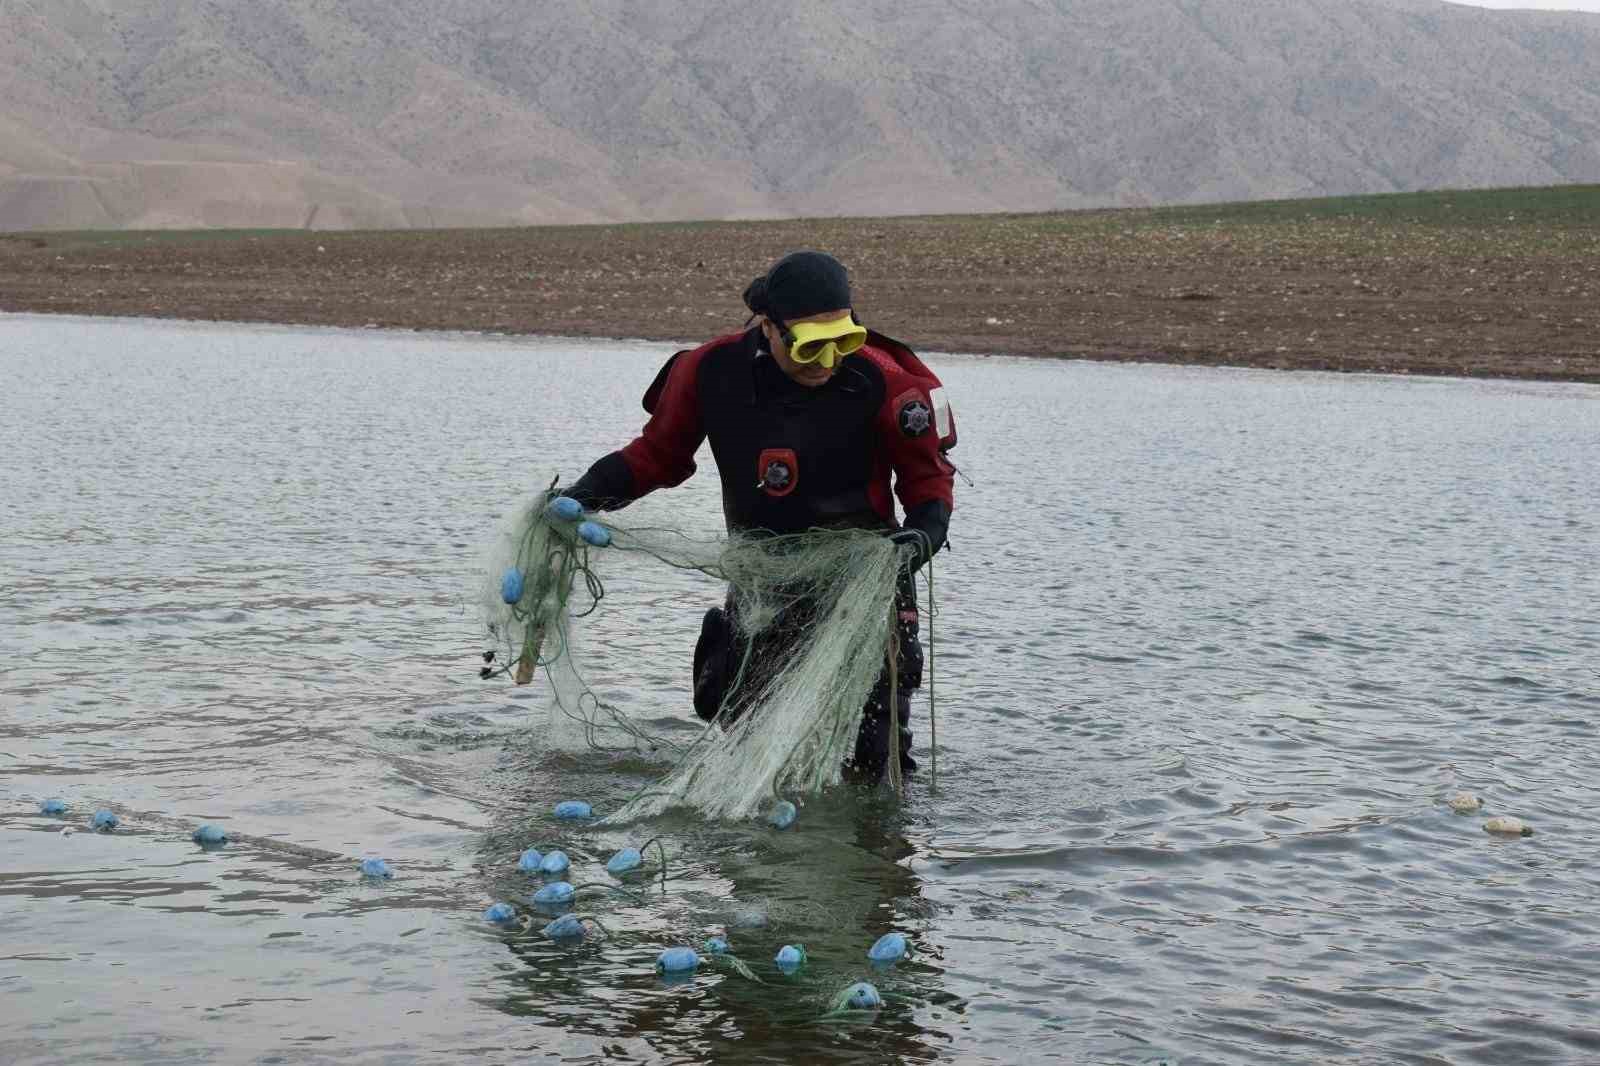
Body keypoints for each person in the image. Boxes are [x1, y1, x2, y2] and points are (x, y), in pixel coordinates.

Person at [562, 250, 956, 783]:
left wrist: (922, 536)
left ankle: (875, 853)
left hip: (867, 584)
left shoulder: (884, 379)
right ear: (769, 326)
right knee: (750, 742)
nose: (827, 362)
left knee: (875, 759)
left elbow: (926, 479)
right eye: (810, 347)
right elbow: (656, 457)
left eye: (842, 342)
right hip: (764, 580)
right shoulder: (710, 371)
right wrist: (579, 500)